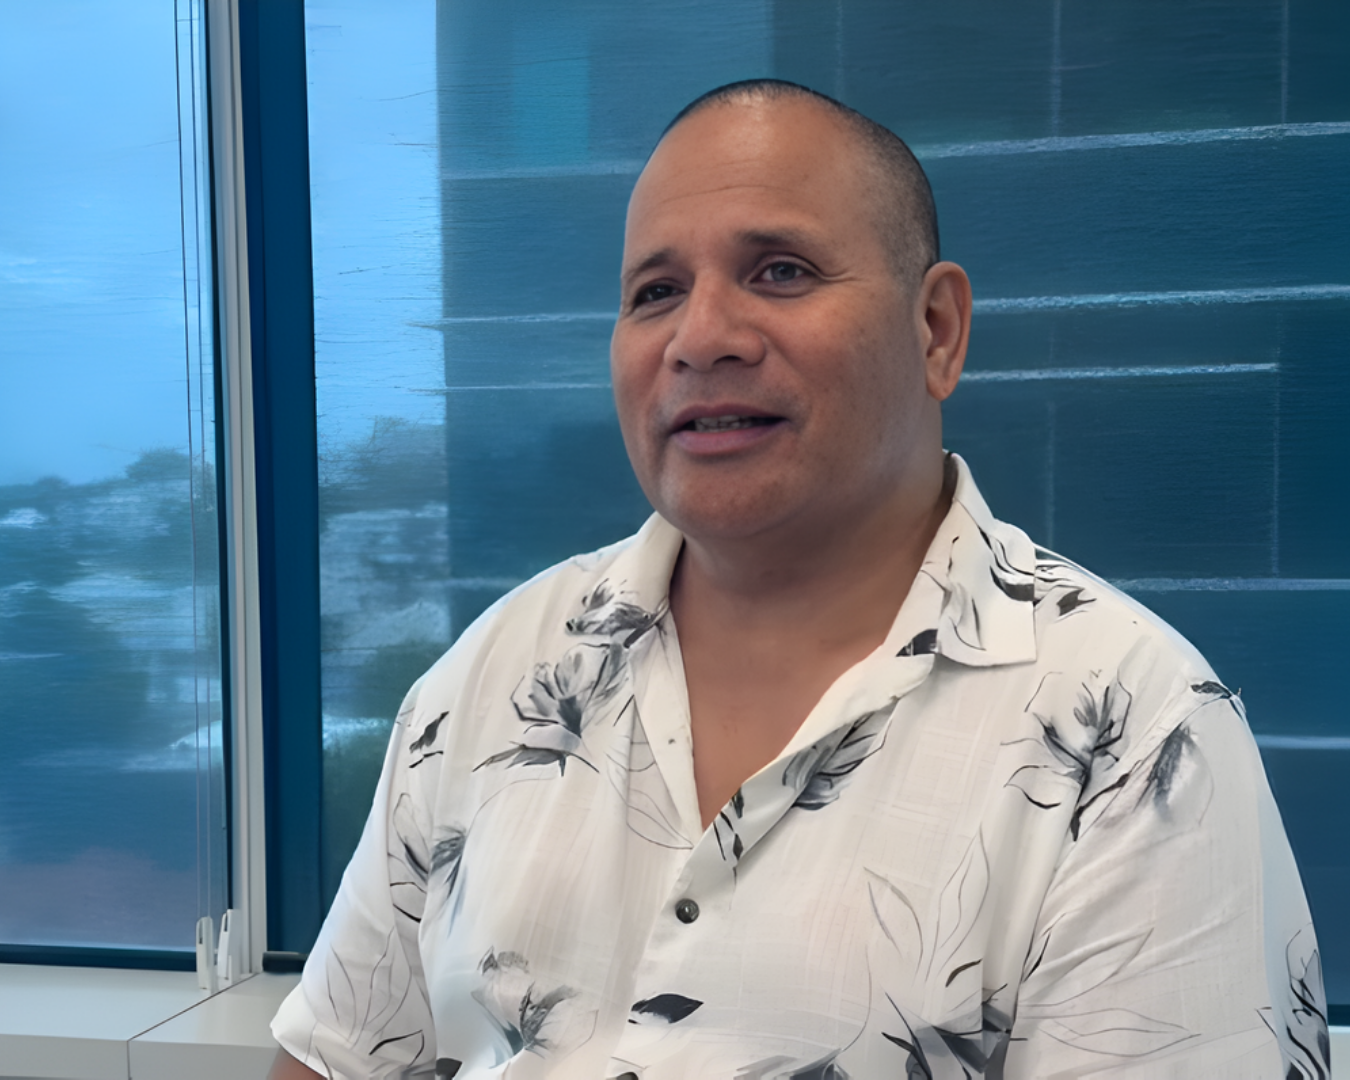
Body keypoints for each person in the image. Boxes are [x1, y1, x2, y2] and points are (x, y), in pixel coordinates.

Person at [269, 80, 1326, 1079]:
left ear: (936, 331)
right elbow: (338, 1053)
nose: (701, 338)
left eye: (780, 271)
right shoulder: (497, 672)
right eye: (656, 291)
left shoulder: (1133, 734)